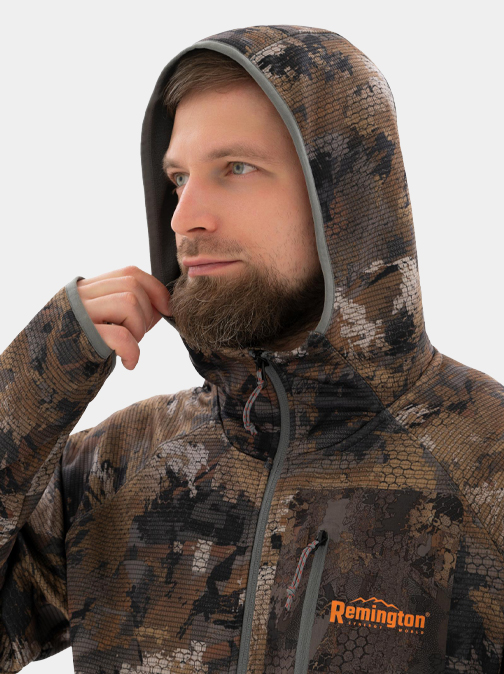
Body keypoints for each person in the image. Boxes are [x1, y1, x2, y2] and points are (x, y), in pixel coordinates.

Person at [1, 24, 503, 674]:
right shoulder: (116, 469)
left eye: (236, 169)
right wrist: (36, 379)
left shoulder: (486, 461)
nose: (184, 217)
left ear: (343, 198)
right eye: (178, 177)